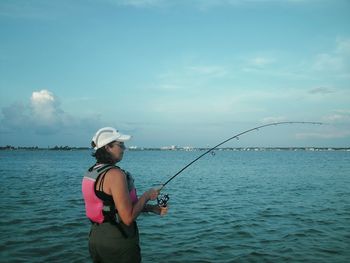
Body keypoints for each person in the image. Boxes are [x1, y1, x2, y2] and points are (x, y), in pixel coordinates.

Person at [82, 127, 168, 263]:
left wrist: (151, 208)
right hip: (118, 240)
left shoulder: (92, 172)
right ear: (108, 147)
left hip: (96, 238)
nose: (124, 148)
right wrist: (147, 195)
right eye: (120, 144)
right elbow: (127, 218)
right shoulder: (115, 175)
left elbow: (112, 206)